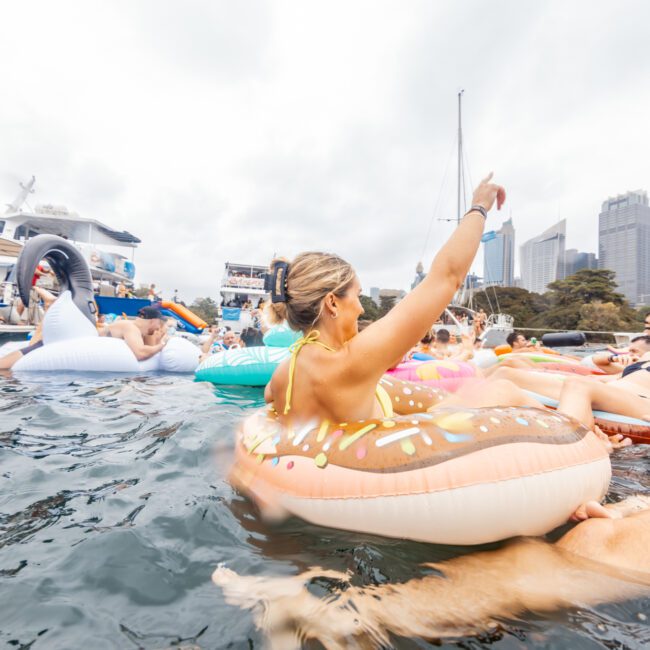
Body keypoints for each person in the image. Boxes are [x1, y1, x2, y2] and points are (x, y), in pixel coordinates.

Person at [262, 173, 553, 429]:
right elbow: (447, 277)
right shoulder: (351, 361)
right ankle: (584, 438)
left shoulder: (282, 375)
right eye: (357, 295)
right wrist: (479, 207)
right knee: (504, 389)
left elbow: (269, 400)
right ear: (332, 303)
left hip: (325, 477)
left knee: (476, 393)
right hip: (384, 479)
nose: (362, 307)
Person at [213, 495, 650, 647]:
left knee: (539, 567)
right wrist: (618, 510)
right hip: (584, 563)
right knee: (534, 561)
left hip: (583, 573)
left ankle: (342, 616)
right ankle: (351, 620)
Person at [99, 306, 168, 360]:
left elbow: (149, 348)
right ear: (153, 321)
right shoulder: (131, 327)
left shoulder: (137, 330)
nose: (158, 328)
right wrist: (162, 345)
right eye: (159, 323)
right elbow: (140, 354)